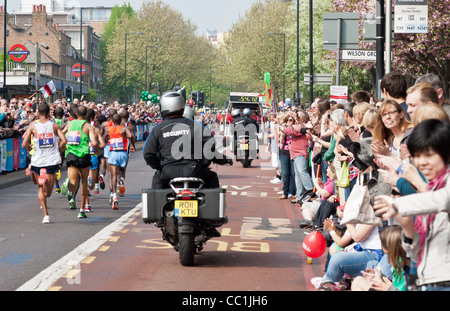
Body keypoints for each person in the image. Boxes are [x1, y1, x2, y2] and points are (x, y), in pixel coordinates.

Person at [374, 119, 450, 291]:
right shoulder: (432, 186)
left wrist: (397, 204)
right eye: (417, 156)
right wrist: (407, 225)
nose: (421, 162)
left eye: (429, 155)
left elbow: (441, 199)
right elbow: (417, 248)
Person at [143, 90, 230, 190]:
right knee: (212, 177)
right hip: (194, 170)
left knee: (157, 181)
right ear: (182, 106)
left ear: (163, 107)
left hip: (168, 172)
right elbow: (210, 143)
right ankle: (214, 205)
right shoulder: (195, 126)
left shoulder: (158, 129)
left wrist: (160, 166)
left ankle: (157, 205)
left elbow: (148, 154)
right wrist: (203, 163)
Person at [21, 103, 67, 224]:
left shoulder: (33, 126)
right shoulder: (54, 125)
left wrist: (29, 147)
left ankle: (46, 216)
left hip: (37, 160)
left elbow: (23, 144)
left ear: (37, 113)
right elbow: (64, 140)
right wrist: (58, 149)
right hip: (51, 160)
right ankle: (39, 176)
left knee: (40, 188)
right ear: (48, 113)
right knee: (48, 193)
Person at [61, 106, 99, 219]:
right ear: (86, 114)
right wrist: (96, 150)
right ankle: (82, 211)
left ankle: (68, 184)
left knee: (73, 181)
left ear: (76, 114)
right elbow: (95, 142)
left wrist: (63, 146)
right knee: (83, 183)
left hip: (71, 154)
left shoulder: (70, 124)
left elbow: (61, 134)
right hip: (84, 156)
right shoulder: (88, 126)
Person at [351, 225, 408, 291]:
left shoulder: (405, 266)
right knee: (358, 280)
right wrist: (378, 278)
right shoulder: (399, 262)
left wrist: (389, 288)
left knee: (358, 283)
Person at [280, 110, 314, 205]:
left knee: (302, 171)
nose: (293, 119)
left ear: (302, 118)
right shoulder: (296, 126)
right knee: (297, 176)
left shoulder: (302, 126)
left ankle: (311, 189)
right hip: (294, 153)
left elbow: (289, 131)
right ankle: (300, 197)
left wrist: (284, 126)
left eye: (296, 117)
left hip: (300, 152)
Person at [104, 113, 133, 209]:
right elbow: (130, 136)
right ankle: (121, 181)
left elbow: (104, 139)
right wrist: (124, 138)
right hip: (123, 153)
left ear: (112, 120)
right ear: (120, 120)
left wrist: (109, 139)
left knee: (113, 175)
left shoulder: (109, 129)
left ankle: (114, 195)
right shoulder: (123, 128)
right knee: (122, 171)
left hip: (113, 153)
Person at [278, 114, 296, 200]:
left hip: (294, 152)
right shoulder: (283, 130)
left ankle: (292, 192)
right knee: (285, 173)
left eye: (291, 120)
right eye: (288, 120)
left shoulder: (296, 129)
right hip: (285, 152)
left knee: (293, 173)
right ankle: (285, 192)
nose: (289, 122)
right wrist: (283, 132)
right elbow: (281, 142)